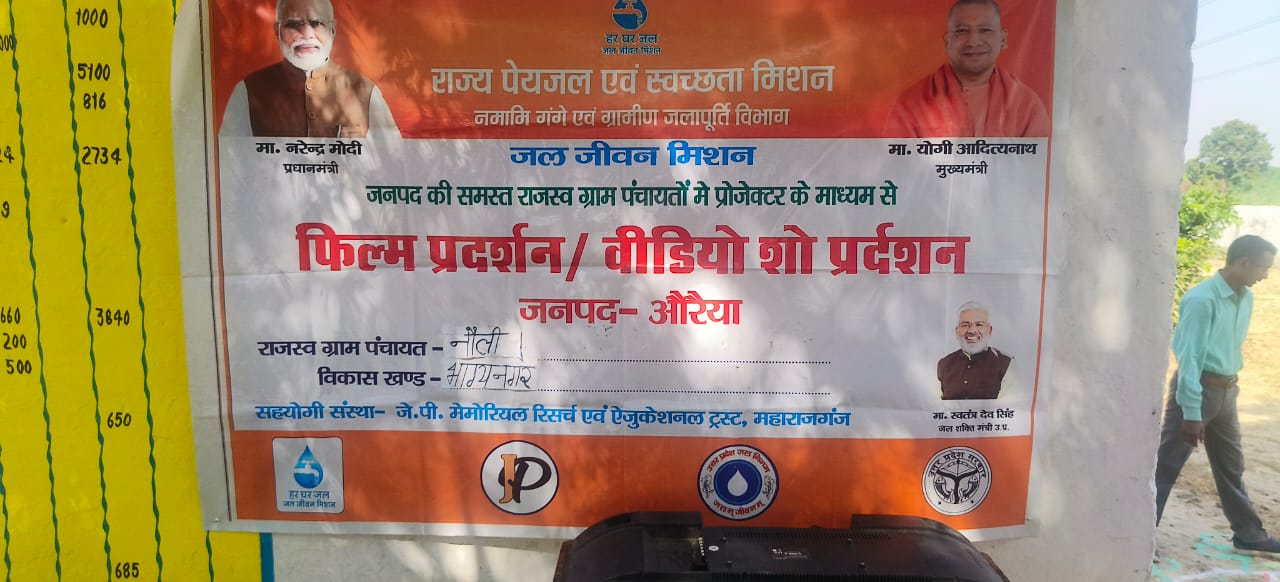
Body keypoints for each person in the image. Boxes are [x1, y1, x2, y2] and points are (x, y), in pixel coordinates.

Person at [1155, 235, 1280, 555]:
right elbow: (1190, 359)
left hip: (1227, 392)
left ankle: (1249, 536)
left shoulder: (1246, 298)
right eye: (1263, 267)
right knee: (1167, 465)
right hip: (1197, 390)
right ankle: (1139, 537)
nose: (1266, 275)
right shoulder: (1202, 300)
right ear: (1244, 262)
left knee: (1231, 467)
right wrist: (1191, 413)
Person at [220, 0, 400, 138]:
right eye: (293, 24)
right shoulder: (248, 91)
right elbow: (229, 163)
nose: (306, 34)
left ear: (333, 29)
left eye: (317, 23)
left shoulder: (365, 91)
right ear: (277, 31)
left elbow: (394, 162)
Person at [884, 0, 1049, 138]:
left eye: (985, 30)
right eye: (962, 31)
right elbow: (896, 163)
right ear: (947, 41)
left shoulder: (1026, 106)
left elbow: (1039, 164)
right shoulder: (911, 105)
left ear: (1003, 39)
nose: (973, 42)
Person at [937, 301, 1016, 400]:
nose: (972, 331)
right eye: (965, 325)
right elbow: (932, 406)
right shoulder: (943, 365)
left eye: (979, 325)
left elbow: (1011, 405)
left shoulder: (1006, 364)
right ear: (957, 331)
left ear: (989, 330)